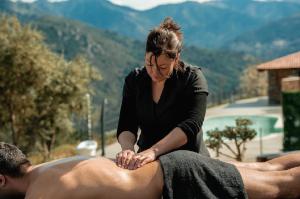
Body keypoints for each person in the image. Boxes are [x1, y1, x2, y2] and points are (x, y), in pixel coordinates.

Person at [2, 142, 300, 199]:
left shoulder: (41, 193)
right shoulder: (50, 168)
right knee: (272, 168)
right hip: (176, 166)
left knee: (282, 186)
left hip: (180, 180)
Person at [116, 17, 210, 170]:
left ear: (176, 58)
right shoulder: (134, 80)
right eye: (149, 64)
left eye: (163, 67)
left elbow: (191, 124)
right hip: (145, 160)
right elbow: (127, 122)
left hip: (189, 161)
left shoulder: (192, 78)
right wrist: (127, 149)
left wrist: (154, 151)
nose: (154, 72)